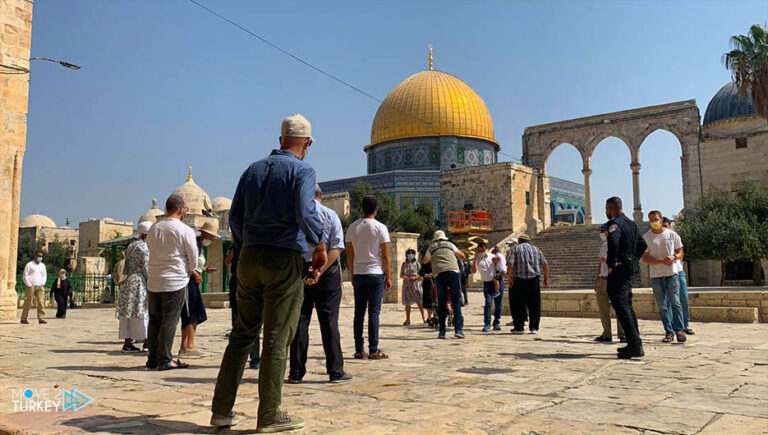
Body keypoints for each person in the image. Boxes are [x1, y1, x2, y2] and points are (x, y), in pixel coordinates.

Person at [211, 114, 328, 432]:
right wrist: (319, 242)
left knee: (242, 335)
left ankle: (221, 411)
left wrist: (245, 248)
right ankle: (269, 414)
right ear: (306, 143)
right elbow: (305, 212)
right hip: (283, 258)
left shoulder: (253, 169)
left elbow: (235, 218)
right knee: (276, 338)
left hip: (249, 258)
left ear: (280, 140)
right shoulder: (303, 170)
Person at [289, 185, 351, 384]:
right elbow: (337, 247)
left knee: (300, 322)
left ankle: (296, 372)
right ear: (321, 196)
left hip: (301, 270)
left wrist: (308, 270)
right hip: (328, 272)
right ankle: (335, 371)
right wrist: (320, 270)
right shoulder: (330, 215)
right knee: (329, 322)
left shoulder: (295, 216)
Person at [146, 194, 198, 371]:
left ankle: (152, 359)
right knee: (169, 321)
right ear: (181, 209)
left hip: (154, 280)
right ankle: (165, 359)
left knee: (154, 321)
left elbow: (150, 249)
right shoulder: (185, 230)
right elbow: (193, 259)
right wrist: (189, 271)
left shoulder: (154, 229)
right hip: (175, 281)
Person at [345, 195, 391, 360]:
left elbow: (349, 254)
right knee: (374, 312)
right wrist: (388, 276)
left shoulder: (352, 227)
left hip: (359, 272)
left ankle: (359, 349)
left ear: (362, 208)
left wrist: (352, 273)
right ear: (376, 208)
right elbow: (385, 255)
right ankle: (373, 349)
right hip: (375, 273)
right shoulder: (380, 227)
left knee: (359, 313)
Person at [604, 196, 648, 359]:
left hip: (620, 270)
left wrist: (611, 265)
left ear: (610, 208)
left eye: (606, 209)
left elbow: (613, 244)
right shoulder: (631, 224)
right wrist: (633, 258)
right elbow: (643, 245)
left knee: (621, 305)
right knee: (627, 306)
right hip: (629, 269)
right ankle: (634, 342)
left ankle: (635, 345)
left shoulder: (615, 225)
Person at [642, 210, 686, 344]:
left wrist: (674, 257)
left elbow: (680, 252)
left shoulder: (672, 235)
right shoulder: (646, 237)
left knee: (676, 302)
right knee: (662, 306)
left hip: (672, 274)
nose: (654, 222)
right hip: (656, 276)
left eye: (656, 219)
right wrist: (660, 261)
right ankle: (668, 331)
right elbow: (644, 258)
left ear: (661, 220)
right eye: (651, 220)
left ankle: (680, 330)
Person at [179, 221, 218, 357]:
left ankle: (188, 345)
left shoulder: (200, 245)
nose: (212, 240)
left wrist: (204, 269)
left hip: (194, 281)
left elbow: (196, 263)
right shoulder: (194, 243)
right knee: (190, 313)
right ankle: (187, 346)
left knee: (196, 313)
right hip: (189, 281)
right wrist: (195, 274)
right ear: (205, 234)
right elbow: (186, 262)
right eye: (211, 236)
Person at [423, 230, 467, 339]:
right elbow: (462, 256)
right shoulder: (450, 245)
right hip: (453, 272)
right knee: (456, 301)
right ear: (444, 238)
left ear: (435, 239)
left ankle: (442, 332)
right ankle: (458, 330)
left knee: (441, 303)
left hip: (439, 274)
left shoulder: (431, 247)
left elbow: (425, 261)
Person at [117, 221, 151, 353]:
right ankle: (147, 342)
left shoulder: (131, 245)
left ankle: (127, 342)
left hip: (127, 282)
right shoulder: (144, 247)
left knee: (128, 313)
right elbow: (146, 267)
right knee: (142, 311)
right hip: (139, 283)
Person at [225, 247, 260, 370]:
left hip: (250, 277)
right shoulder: (237, 243)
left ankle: (254, 357)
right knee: (238, 320)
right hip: (239, 278)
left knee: (252, 319)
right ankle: (239, 356)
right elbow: (227, 261)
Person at [507, 234, 549, 334]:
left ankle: (519, 327)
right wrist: (546, 279)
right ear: (529, 241)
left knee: (517, 304)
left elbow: (510, 264)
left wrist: (510, 277)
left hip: (519, 280)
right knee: (534, 304)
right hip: (534, 280)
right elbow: (545, 264)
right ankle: (534, 327)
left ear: (519, 241)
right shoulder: (536, 249)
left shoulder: (515, 249)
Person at [663, 217, 694, 335]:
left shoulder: (674, 236)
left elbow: (680, 252)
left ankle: (685, 324)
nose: (665, 228)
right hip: (666, 273)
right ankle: (672, 326)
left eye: (666, 225)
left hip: (678, 271)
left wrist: (678, 262)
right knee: (669, 301)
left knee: (683, 298)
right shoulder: (658, 238)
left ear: (670, 226)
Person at [594, 224, 624, 342]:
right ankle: (607, 333)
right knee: (603, 308)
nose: (602, 233)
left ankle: (622, 334)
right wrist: (597, 280)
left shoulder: (619, 245)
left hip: (614, 279)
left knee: (618, 308)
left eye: (603, 231)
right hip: (603, 279)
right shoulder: (604, 245)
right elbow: (600, 264)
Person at [473, 241, 502, 332]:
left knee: (498, 304)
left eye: (483, 249)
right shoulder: (477, 259)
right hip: (487, 284)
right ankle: (487, 324)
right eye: (480, 250)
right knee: (488, 303)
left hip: (497, 282)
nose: (482, 251)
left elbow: (500, 265)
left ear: (486, 248)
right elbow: (473, 271)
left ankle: (496, 322)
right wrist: (474, 259)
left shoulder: (492, 256)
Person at [400, 248, 425, 326]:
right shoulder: (404, 264)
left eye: (412, 253)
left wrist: (415, 277)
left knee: (419, 302)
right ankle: (408, 319)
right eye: (409, 254)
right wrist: (404, 276)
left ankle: (424, 317)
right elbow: (401, 274)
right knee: (407, 303)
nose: (410, 255)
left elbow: (421, 274)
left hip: (415, 284)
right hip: (407, 285)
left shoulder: (417, 264)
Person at [20, 252, 47, 324]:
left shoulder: (42, 265)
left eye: (41, 256)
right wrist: (28, 284)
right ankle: (24, 318)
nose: (40, 257)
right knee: (28, 302)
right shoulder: (29, 265)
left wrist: (43, 283)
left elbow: (44, 275)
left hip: (40, 286)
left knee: (41, 302)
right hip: (31, 286)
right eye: (39, 256)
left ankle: (41, 318)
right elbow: (25, 275)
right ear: (35, 256)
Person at [419, 259, 436, 325]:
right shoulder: (426, 263)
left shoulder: (439, 261)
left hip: (437, 281)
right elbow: (421, 272)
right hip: (428, 283)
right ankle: (429, 316)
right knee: (429, 300)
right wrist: (426, 275)